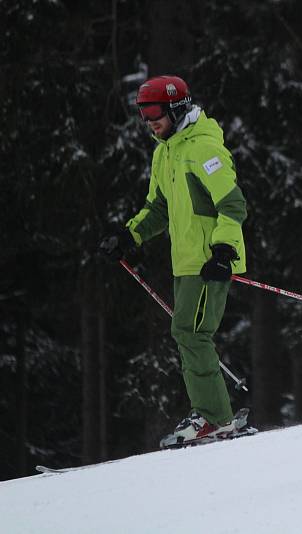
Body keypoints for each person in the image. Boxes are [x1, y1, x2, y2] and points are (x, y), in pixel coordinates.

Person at [100, 75, 248, 448]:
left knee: (191, 333)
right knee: (187, 333)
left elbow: (232, 204)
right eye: (142, 113)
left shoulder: (203, 149)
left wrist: (224, 250)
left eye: (155, 112)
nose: (149, 120)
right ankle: (212, 415)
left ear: (177, 108)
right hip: (185, 263)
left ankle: (215, 418)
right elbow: (158, 207)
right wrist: (128, 235)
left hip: (209, 261)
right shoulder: (165, 151)